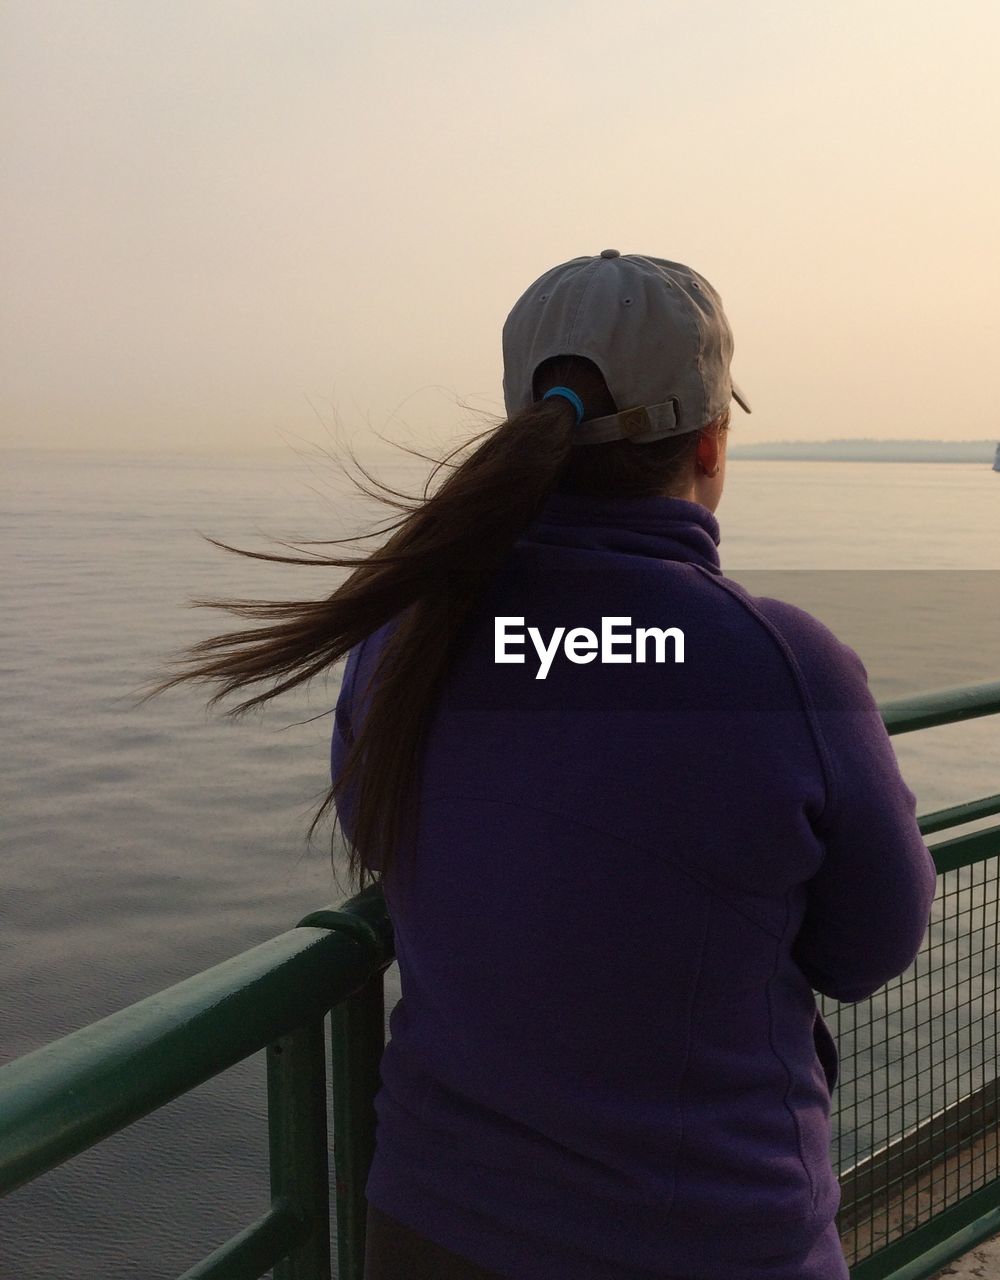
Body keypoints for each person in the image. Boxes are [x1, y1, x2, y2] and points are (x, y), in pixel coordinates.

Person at [173, 250, 936, 1279]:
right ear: (710, 440)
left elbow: (381, 831)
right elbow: (870, 944)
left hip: (430, 1229)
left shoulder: (405, 633)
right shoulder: (780, 664)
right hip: (707, 1240)